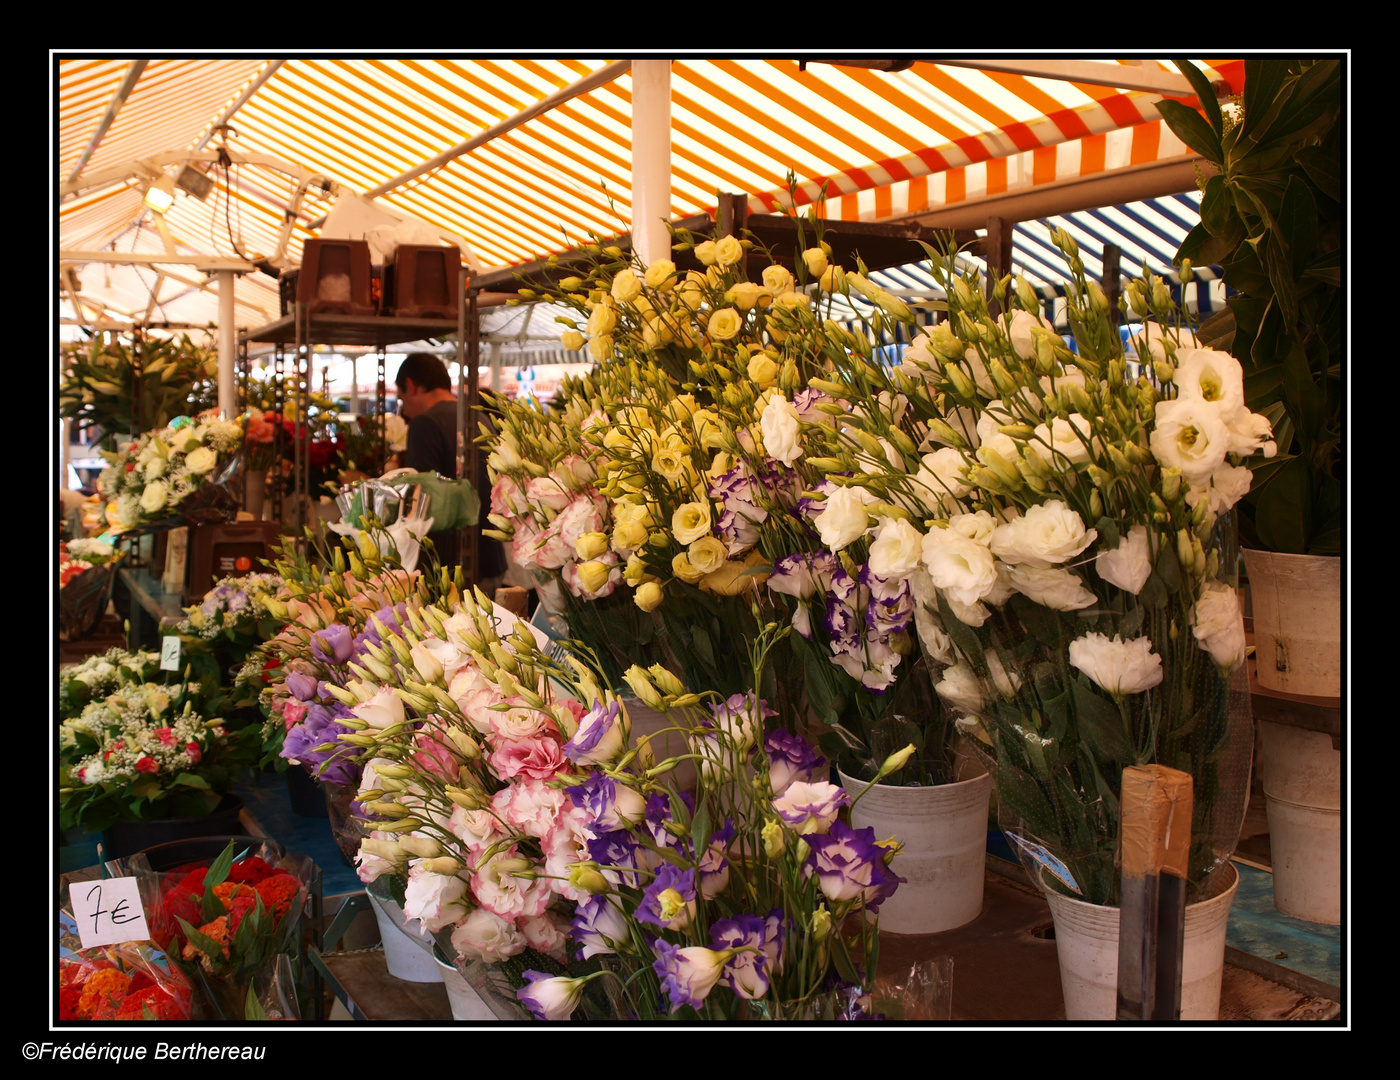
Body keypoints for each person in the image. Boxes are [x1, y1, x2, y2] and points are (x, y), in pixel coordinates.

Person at [393, 353, 505, 588]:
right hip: (490, 554)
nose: (404, 410)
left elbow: (419, 501)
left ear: (411, 386)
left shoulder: (425, 423)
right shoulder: (479, 416)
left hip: (450, 566)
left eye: (402, 398)